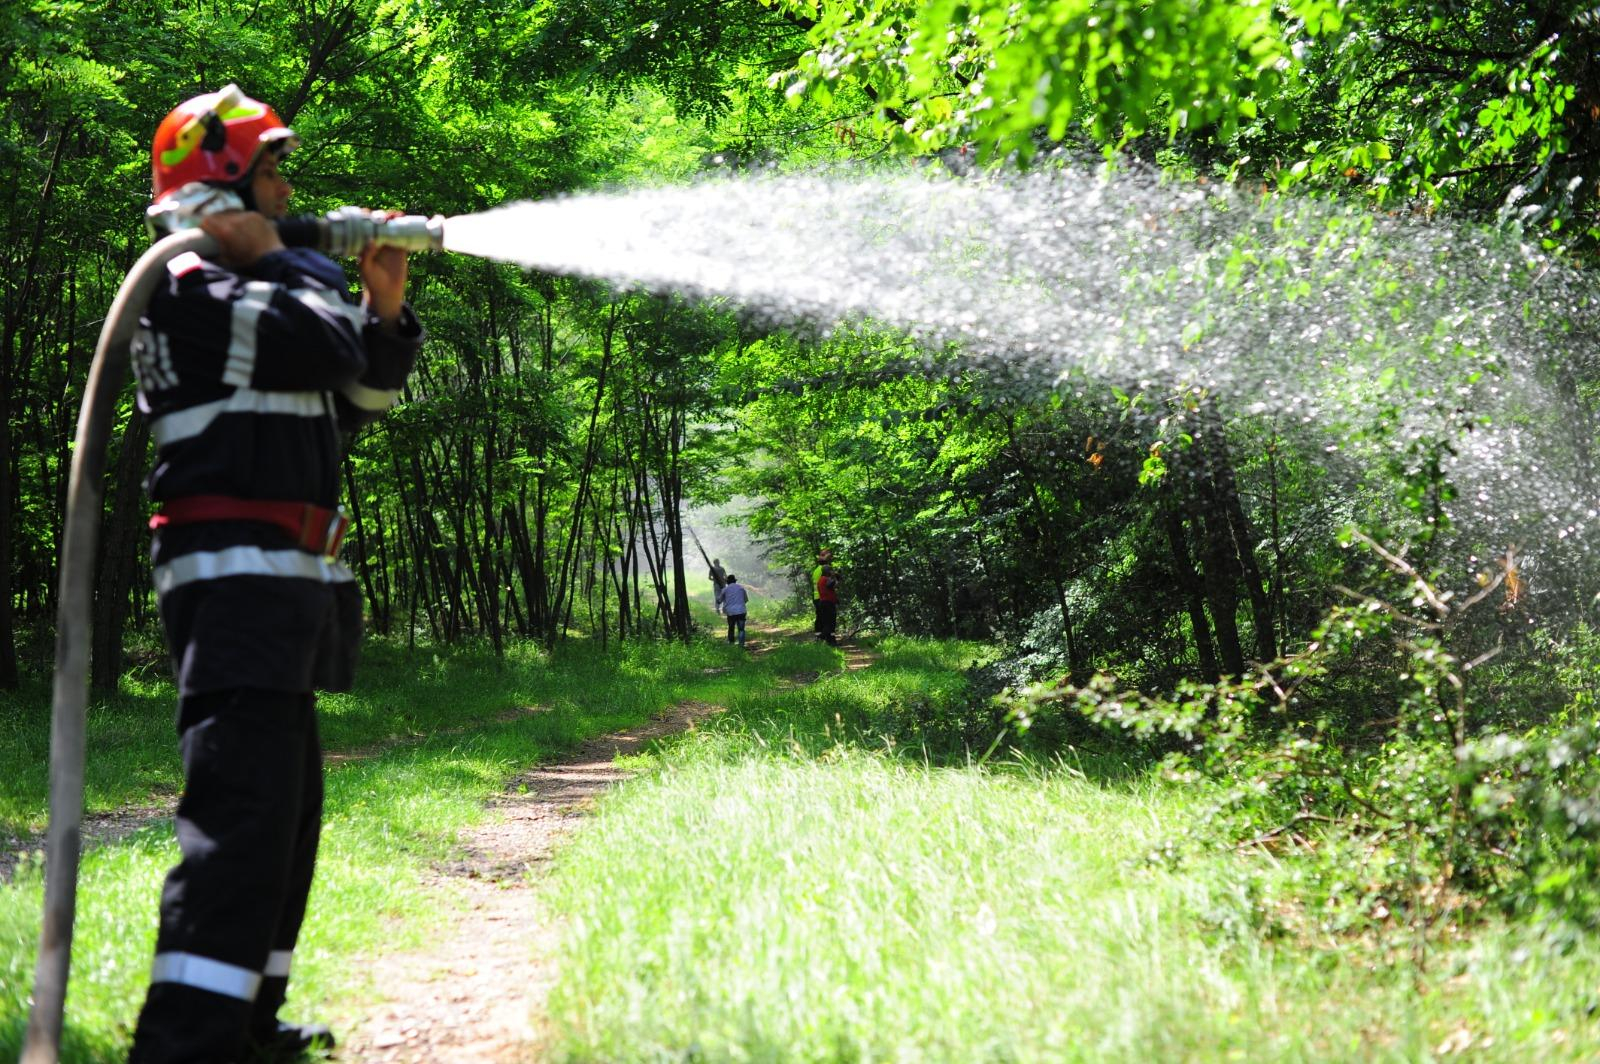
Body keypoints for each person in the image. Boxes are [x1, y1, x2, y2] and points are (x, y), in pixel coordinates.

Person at [126, 84, 424, 1064]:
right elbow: (317, 338)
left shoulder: (248, 294)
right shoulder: (198, 295)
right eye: (275, 173)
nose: (293, 189)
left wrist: (385, 312)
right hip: (237, 591)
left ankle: (248, 1019)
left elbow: (354, 396)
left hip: (281, 592)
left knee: (286, 813)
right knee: (241, 818)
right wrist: (297, 260)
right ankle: (183, 1043)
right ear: (226, 190)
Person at [815, 561, 840, 646]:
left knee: (827, 623)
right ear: (827, 571)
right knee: (831, 623)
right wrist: (834, 577)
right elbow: (831, 585)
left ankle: (831, 641)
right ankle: (821, 637)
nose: (832, 571)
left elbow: (829, 588)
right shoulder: (826, 579)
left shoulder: (820, 580)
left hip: (823, 603)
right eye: (831, 570)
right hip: (828, 603)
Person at [721, 573, 749, 646]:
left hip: (731, 612)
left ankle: (731, 644)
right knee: (741, 629)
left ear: (727, 582)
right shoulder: (741, 588)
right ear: (735, 581)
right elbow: (746, 600)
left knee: (731, 628)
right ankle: (741, 644)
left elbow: (719, 600)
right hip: (741, 611)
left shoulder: (725, 589)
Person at [811, 548, 832, 638]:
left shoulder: (816, 570)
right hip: (822, 597)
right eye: (829, 556)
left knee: (820, 618)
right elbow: (828, 583)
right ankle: (826, 638)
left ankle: (819, 637)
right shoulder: (824, 569)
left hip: (817, 597)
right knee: (827, 619)